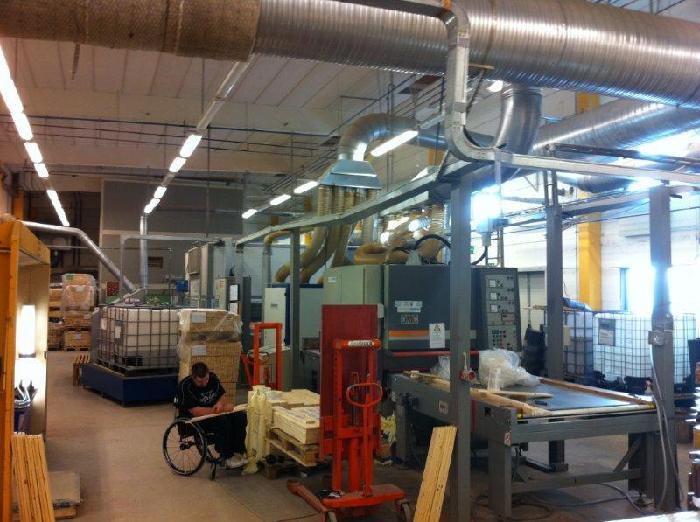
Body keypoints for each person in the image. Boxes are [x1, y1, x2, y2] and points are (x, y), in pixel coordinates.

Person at [176, 362, 248, 468]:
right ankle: (227, 455)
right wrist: (219, 410)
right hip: (196, 419)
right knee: (223, 421)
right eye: (200, 382)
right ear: (193, 377)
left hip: (214, 413)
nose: (204, 384)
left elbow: (222, 395)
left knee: (240, 417)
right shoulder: (185, 386)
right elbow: (195, 411)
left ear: (208, 374)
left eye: (206, 379)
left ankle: (238, 450)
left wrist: (220, 404)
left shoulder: (213, 378)